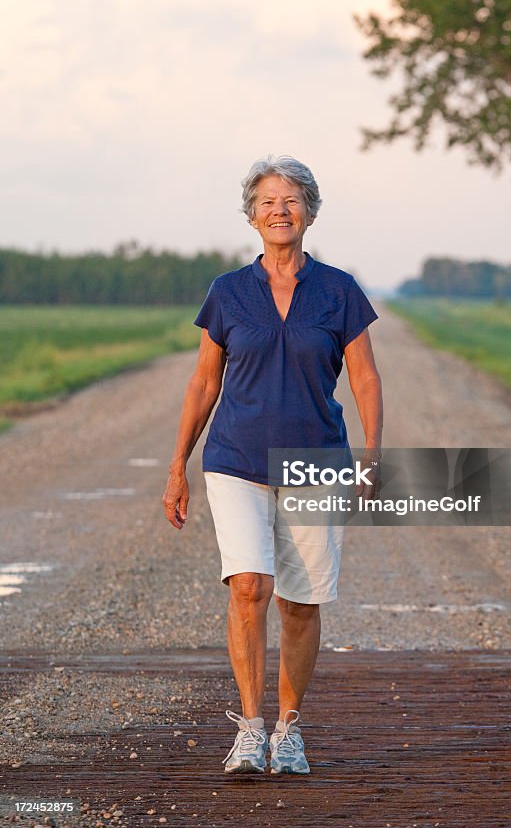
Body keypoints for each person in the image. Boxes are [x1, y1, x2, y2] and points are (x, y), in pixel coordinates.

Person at [162, 155, 383, 775]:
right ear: (251, 215)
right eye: (267, 202)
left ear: (309, 212)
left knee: (301, 602)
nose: (279, 211)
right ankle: (250, 727)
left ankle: (289, 726)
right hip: (235, 458)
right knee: (250, 586)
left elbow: (365, 377)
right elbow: (204, 384)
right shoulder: (228, 292)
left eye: (291, 201)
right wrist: (178, 465)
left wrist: (371, 455)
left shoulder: (339, 290)